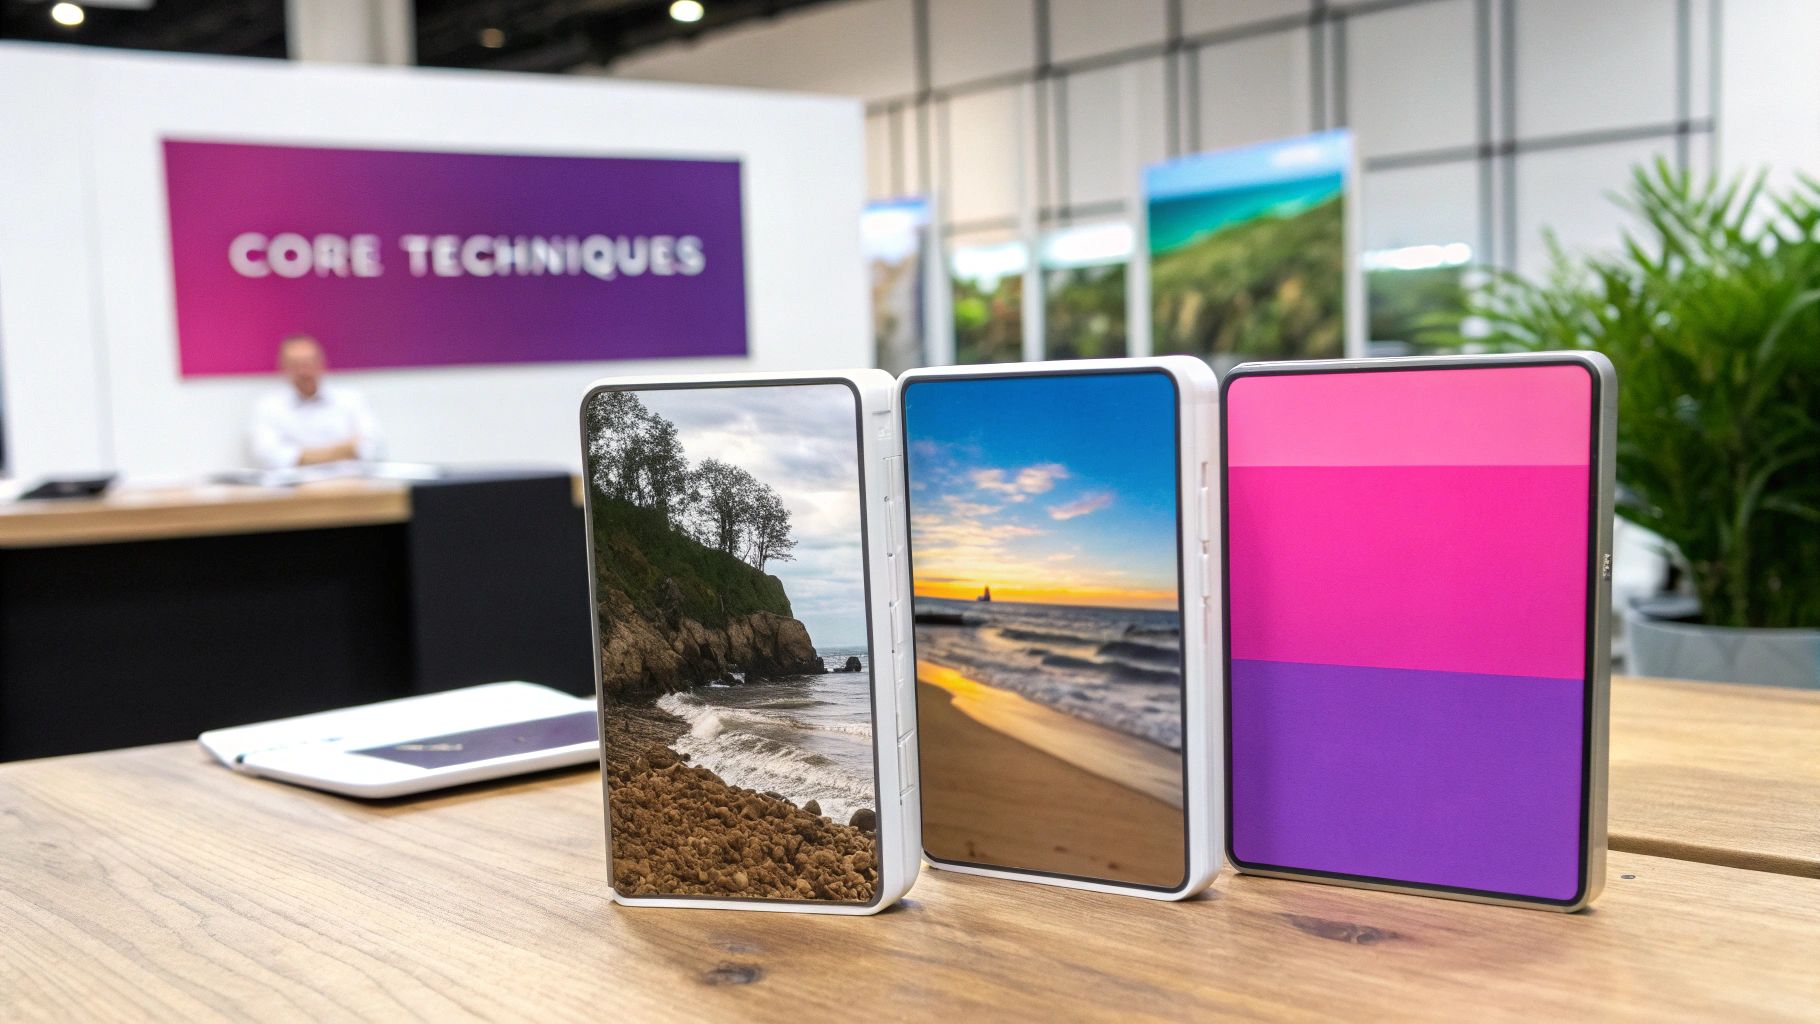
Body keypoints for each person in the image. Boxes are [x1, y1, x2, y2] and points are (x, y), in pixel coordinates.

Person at [248, 335, 385, 469]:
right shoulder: (268, 406)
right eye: (295, 364)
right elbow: (267, 455)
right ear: (283, 366)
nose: (303, 371)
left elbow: (373, 447)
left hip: (350, 485)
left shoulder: (351, 399)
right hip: (291, 489)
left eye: (308, 362)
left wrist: (300, 456)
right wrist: (344, 450)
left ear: (322, 363)